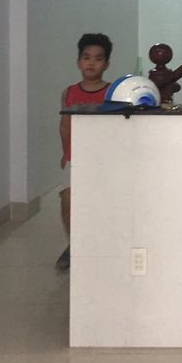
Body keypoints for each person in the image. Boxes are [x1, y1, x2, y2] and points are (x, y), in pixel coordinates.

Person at [56, 32, 112, 270]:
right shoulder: (69, 93)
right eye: (86, 57)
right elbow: (64, 125)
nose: (91, 63)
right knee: (68, 201)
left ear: (106, 64)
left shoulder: (112, 93)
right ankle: (74, 245)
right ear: (79, 62)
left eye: (98, 59)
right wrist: (65, 152)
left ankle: (100, 246)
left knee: (100, 204)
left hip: (103, 159)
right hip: (75, 156)